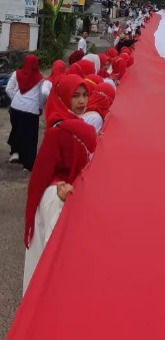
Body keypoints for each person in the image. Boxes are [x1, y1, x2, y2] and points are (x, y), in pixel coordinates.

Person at [23, 75, 97, 295]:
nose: (82, 101)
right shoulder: (59, 131)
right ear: (64, 97)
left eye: (84, 95)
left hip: (73, 197)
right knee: (52, 262)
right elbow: (42, 174)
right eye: (75, 96)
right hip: (58, 199)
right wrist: (56, 191)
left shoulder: (78, 126)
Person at [6, 55, 46, 170]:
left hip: (15, 108)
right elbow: (41, 96)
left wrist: (16, 100)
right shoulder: (40, 78)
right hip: (30, 110)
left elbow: (8, 89)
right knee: (30, 137)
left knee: (17, 130)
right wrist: (40, 108)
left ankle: (15, 153)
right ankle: (28, 164)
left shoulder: (16, 73)